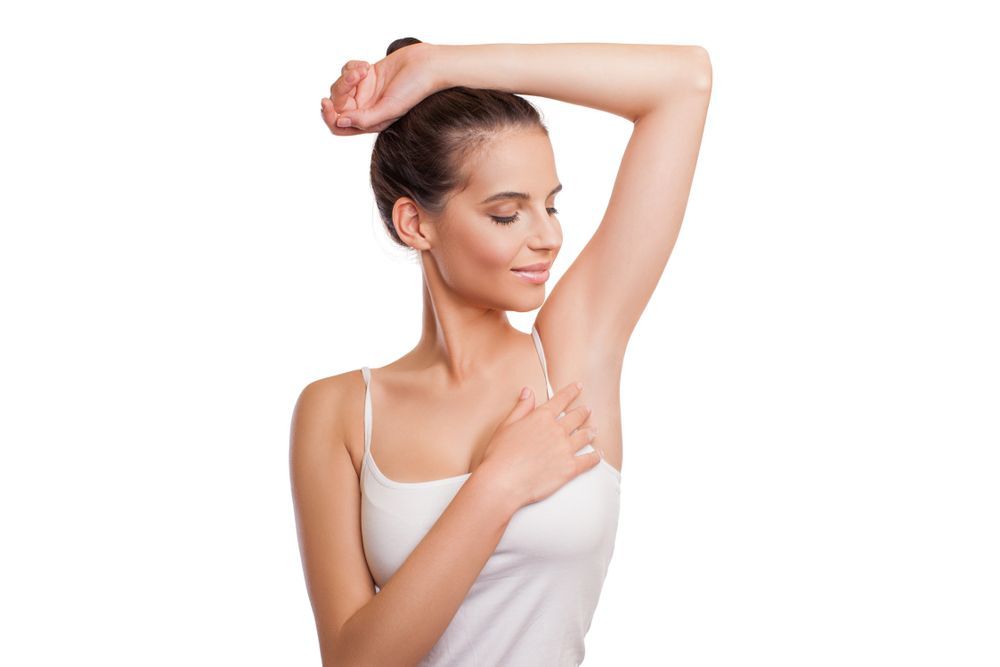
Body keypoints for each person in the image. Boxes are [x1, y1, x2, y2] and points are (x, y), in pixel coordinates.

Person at [291, 38, 712, 666]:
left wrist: (438, 66)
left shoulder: (573, 356)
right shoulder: (339, 413)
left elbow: (684, 83)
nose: (549, 237)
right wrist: (497, 485)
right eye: (507, 215)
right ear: (415, 224)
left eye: (551, 204)